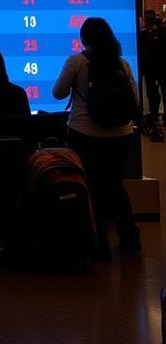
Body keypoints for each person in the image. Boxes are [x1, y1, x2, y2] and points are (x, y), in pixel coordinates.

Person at [52, 16, 141, 259]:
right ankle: (130, 240)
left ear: (84, 39)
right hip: (121, 135)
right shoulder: (122, 64)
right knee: (114, 185)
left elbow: (58, 93)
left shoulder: (77, 62)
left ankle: (98, 242)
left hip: (85, 134)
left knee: (92, 187)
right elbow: (134, 99)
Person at [138, 10, 165, 140]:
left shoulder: (146, 36)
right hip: (154, 70)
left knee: (153, 94)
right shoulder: (153, 34)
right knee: (153, 94)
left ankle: (154, 117)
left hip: (151, 70)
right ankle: (155, 117)